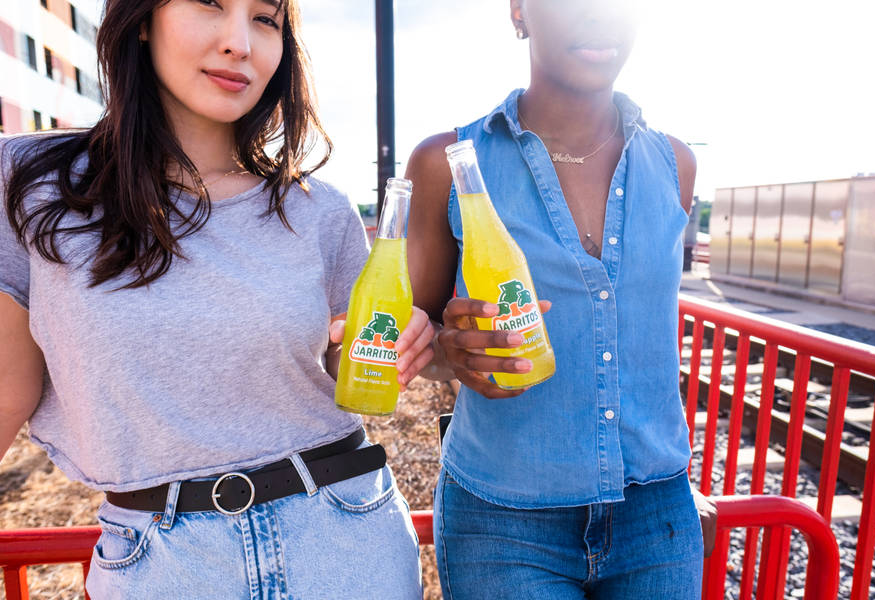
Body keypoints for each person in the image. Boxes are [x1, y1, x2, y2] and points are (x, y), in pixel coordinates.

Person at [0, 1, 432, 598]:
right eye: (210, 3)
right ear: (143, 17)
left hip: (344, 541)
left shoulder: (318, 208)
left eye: (266, 19)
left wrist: (398, 345)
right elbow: (5, 389)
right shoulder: (32, 184)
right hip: (158, 563)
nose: (240, 43)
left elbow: (345, 367)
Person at [405, 1, 715, 598]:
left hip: (658, 517)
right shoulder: (445, 164)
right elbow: (409, 341)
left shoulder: (676, 164)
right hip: (504, 522)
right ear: (520, 11)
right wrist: (452, 351)